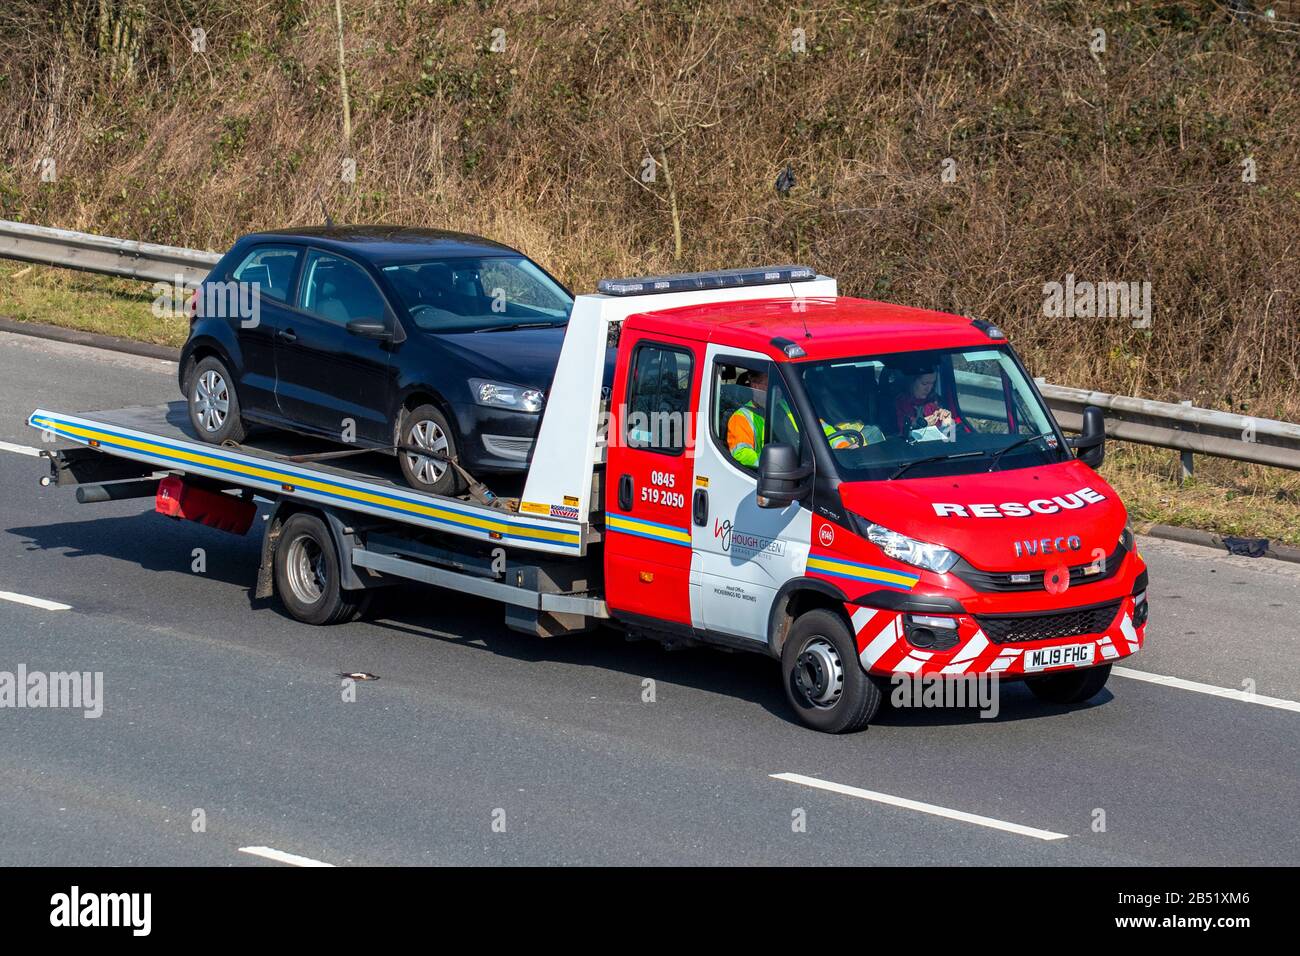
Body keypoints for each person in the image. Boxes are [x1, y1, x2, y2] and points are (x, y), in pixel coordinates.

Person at [894, 369, 957, 435]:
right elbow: (900, 433)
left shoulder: (934, 400)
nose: (928, 388)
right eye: (924, 384)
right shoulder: (900, 403)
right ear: (912, 381)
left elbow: (949, 436)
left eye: (932, 383)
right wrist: (919, 424)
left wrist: (947, 421)